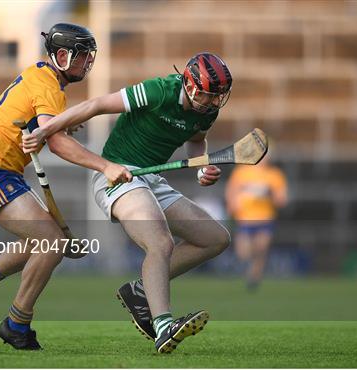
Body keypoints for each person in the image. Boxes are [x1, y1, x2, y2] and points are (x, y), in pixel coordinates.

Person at [22, 52, 233, 353]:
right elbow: (96, 105)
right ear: (190, 84)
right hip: (115, 174)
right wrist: (47, 128)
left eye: (219, 97)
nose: (214, 102)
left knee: (215, 238)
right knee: (159, 242)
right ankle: (162, 325)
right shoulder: (159, 90)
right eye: (209, 95)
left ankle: (141, 289)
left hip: (153, 178)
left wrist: (201, 168)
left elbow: (197, 140)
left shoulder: (206, 111)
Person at [0, 23, 131, 351]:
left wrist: (55, 127)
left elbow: (44, 127)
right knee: (51, 242)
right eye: (81, 58)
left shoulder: (41, 76)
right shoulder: (48, 83)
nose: (86, 64)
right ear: (61, 56)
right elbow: (58, 145)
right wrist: (106, 165)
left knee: (48, 241)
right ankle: (16, 324)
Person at [225, 152, 288, 291]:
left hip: (266, 219)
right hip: (244, 219)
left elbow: (281, 200)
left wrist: (270, 193)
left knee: (261, 249)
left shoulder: (275, 175)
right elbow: (231, 192)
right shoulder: (241, 172)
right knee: (243, 253)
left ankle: (254, 279)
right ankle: (249, 272)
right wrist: (232, 206)